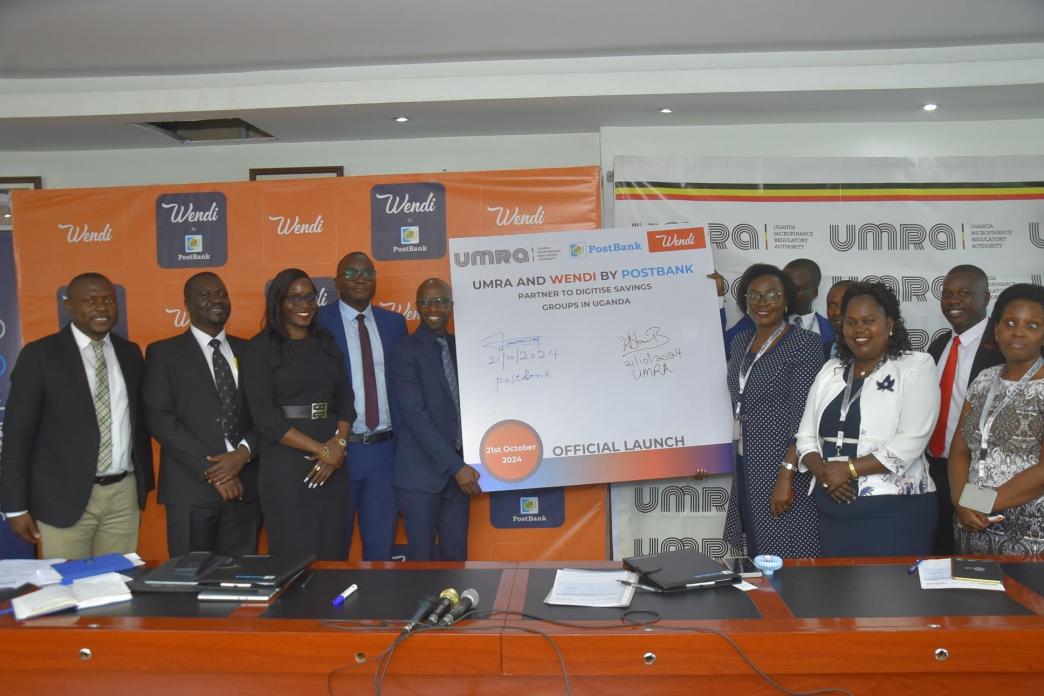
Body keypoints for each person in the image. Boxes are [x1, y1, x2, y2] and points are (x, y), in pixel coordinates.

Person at [0, 273, 153, 559]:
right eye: (90, 300)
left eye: (108, 300)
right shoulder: (40, 355)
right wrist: (15, 506)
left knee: (116, 586)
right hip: (62, 497)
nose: (101, 307)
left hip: (123, 495)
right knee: (68, 591)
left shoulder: (130, 354)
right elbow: (18, 434)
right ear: (69, 306)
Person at [795, 281, 940, 557]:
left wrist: (847, 470)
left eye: (868, 321)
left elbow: (911, 441)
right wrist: (825, 473)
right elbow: (805, 437)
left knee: (892, 598)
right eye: (851, 322)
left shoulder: (916, 366)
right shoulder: (831, 369)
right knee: (840, 596)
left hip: (895, 513)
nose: (859, 330)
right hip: (833, 510)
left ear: (890, 324)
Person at [143, 272, 260, 557]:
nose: (216, 299)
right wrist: (218, 474)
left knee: (239, 581)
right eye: (206, 295)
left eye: (221, 293)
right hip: (191, 489)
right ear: (187, 304)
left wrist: (242, 454)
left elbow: (264, 414)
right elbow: (160, 419)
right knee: (189, 581)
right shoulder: (163, 353)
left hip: (246, 485)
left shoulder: (251, 350)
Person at [242, 269, 355, 560]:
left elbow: (345, 399)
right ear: (278, 302)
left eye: (309, 297)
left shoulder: (325, 341)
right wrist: (321, 450)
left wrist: (338, 446)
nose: (304, 304)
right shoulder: (259, 348)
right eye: (294, 298)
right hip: (287, 466)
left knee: (334, 550)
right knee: (295, 555)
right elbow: (265, 417)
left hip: (334, 464)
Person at [722, 264, 824, 558]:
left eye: (771, 295)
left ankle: (798, 604)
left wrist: (786, 474)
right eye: (753, 296)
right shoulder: (740, 342)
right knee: (759, 548)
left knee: (790, 549)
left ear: (787, 300)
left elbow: (806, 416)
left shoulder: (804, 344)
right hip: (746, 461)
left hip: (783, 463)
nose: (761, 303)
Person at [317, 252, 407, 561]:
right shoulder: (317, 323)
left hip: (384, 451)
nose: (360, 279)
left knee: (381, 548)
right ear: (336, 281)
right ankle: (332, 609)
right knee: (333, 547)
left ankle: (378, 607)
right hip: (338, 450)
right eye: (351, 273)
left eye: (367, 272)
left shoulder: (394, 324)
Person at [949, 283, 1044, 558]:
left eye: (1033, 326)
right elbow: (959, 451)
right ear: (997, 329)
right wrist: (960, 503)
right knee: (973, 601)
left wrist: (978, 502)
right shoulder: (983, 380)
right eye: (1010, 322)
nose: (1018, 332)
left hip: (1031, 535)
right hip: (972, 526)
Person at [389, 278, 481, 561]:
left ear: (451, 307)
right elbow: (416, 416)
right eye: (427, 302)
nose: (434, 308)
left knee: (457, 559)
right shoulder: (404, 351)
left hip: (457, 478)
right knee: (422, 563)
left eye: (440, 301)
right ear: (417, 307)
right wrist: (457, 467)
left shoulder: (461, 347)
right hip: (420, 477)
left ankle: (455, 608)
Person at [925, 265, 1003, 554]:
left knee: (977, 549)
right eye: (947, 294)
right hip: (935, 470)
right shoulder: (940, 344)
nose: (953, 300)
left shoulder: (1002, 346)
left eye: (964, 293)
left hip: (981, 474)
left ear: (986, 298)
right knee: (940, 552)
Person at [720, 259, 835, 359]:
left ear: (814, 293)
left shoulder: (831, 330)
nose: (788, 292)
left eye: (795, 288)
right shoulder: (760, 320)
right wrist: (718, 298)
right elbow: (721, 349)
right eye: (784, 287)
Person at [824, 279, 852, 359]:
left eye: (844, 304)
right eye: (832, 305)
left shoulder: (871, 351)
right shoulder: (823, 350)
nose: (837, 312)